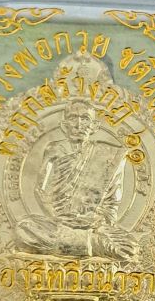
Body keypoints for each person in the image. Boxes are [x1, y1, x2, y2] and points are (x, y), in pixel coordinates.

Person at [15, 100, 138, 260]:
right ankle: (91, 244)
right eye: (73, 118)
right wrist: (57, 217)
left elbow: (111, 202)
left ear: (94, 126)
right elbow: (40, 190)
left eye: (85, 118)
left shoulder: (109, 154)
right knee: (24, 228)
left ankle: (74, 242)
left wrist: (96, 220)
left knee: (129, 247)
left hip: (92, 224)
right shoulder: (54, 149)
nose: (79, 124)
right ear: (64, 125)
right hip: (59, 223)